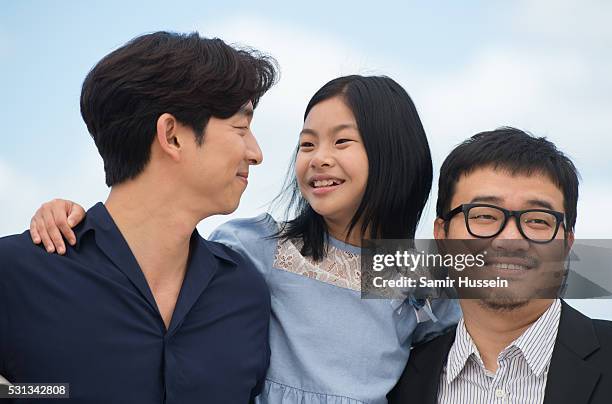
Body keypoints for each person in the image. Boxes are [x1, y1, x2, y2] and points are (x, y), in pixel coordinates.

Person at [26, 75, 461, 403]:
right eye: (307, 145)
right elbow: (156, 255)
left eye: (342, 141)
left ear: (394, 155)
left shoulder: (411, 271)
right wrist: (72, 214)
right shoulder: (262, 246)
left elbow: (511, 300)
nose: (319, 159)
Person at [0, 31, 278, 403]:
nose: (256, 153)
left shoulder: (247, 288)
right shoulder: (15, 275)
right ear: (172, 136)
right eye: (241, 128)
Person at [388, 128, 612, 404]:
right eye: (484, 216)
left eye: (538, 220)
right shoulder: (397, 382)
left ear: (567, 243)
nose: (510, 239)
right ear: (442, 236)